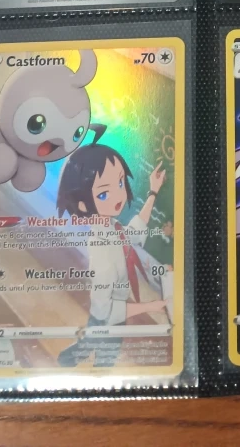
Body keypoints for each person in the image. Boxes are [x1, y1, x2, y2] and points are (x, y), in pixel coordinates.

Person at [55, 143, 168, 367]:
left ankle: (69, 358)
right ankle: (90, 368)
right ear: (83, 205)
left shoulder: (110, 227)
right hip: (107, 316)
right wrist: (150, 306)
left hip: (106, 312)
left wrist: (153, 191)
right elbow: (106, 310)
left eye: (120, 183)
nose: (119, 195)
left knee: (92, 337)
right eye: (104, 193)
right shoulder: (103, 257)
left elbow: (132, 233)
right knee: (106, 354)